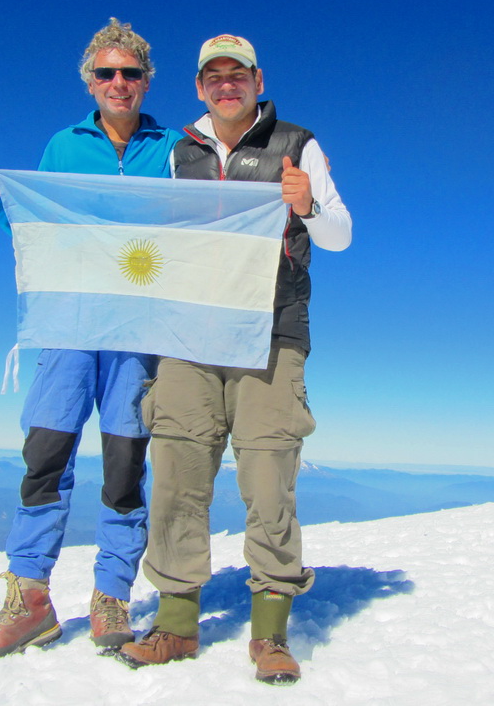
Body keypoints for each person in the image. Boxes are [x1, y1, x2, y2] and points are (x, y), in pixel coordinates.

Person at [117, 34, 352, 684]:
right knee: (177, 469)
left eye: (237, 74)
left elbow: (340, 234)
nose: (226, 84)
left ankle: (271, 632)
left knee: (269, 473)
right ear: (198, 87)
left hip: (272, 331)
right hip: (190, 333)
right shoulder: (176, 152)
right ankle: (176, 623)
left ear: (257, 79)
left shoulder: (296, 144)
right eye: (213, 75)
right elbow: (144, 231)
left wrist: (306, 204)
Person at [0, 19, 179, 665]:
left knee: (124, 462)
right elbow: (40, 222)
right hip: (68, 324)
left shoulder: (171, 148)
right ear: (90, 81)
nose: (119, 83)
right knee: (48, 453)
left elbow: (202, 224)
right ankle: (29, 596)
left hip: (137, 328)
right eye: (106, 73)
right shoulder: (64, 144)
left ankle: (111, 592)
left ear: (146, 80)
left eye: (131, 73)